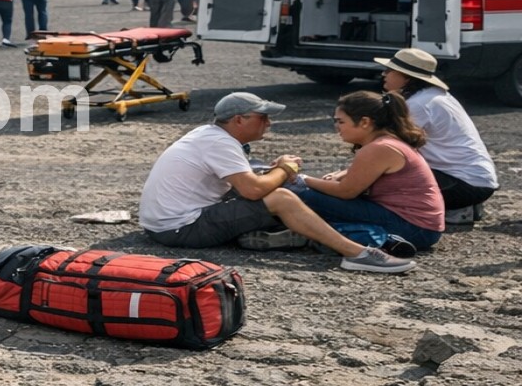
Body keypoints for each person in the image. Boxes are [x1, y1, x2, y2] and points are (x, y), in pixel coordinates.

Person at [138, 92, 416, 274]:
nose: (269, 123)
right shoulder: (219, 143)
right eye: (263, 117)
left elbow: (246, 183)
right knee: (281, 197)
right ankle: (358, 254)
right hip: (180, 229)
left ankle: (291, 234)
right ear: (239, 120)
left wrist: (277, 172)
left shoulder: (210, 135)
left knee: (268, 182)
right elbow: (253, 190)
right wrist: (285, 169)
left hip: (167, 224)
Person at [291, 91, 445, 255]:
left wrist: (302, 179)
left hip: (413, 228)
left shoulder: (379, 148)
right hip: (420, 226)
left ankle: (372, 238)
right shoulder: (389, 142)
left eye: (341, 121)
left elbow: (345, 191)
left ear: (365, 122)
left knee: (298, 193)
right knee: (315, 197)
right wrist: (340, 175)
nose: (337, 127)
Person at [376, 49, 498, 217]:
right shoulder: (434, 96)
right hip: (475, 181)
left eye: (389, 70)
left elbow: (389, 148)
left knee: (380, 185)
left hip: (464, 184)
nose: (384, 74)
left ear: (407, 77)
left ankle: (454, 209)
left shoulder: (419, 104)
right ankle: (462, 208)